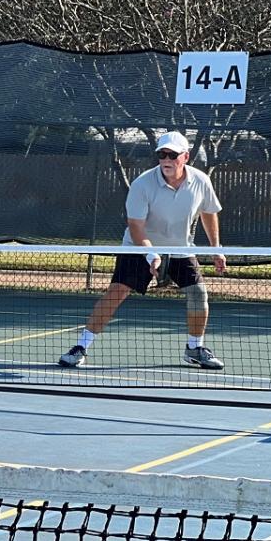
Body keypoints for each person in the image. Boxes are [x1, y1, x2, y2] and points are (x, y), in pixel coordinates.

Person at [59, 131, 226, 370]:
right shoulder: (142, 184)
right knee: (117, 292)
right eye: (162, 154)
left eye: (172, 154)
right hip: (139, 248)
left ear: (185, 157)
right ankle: (81, 347)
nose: (166, 159)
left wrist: (216, 249)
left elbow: (209, 212)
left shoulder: (201, 181)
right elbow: (136, 226)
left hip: (180, 248)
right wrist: (151, 255)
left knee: (198, 294)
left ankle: (194, 348)